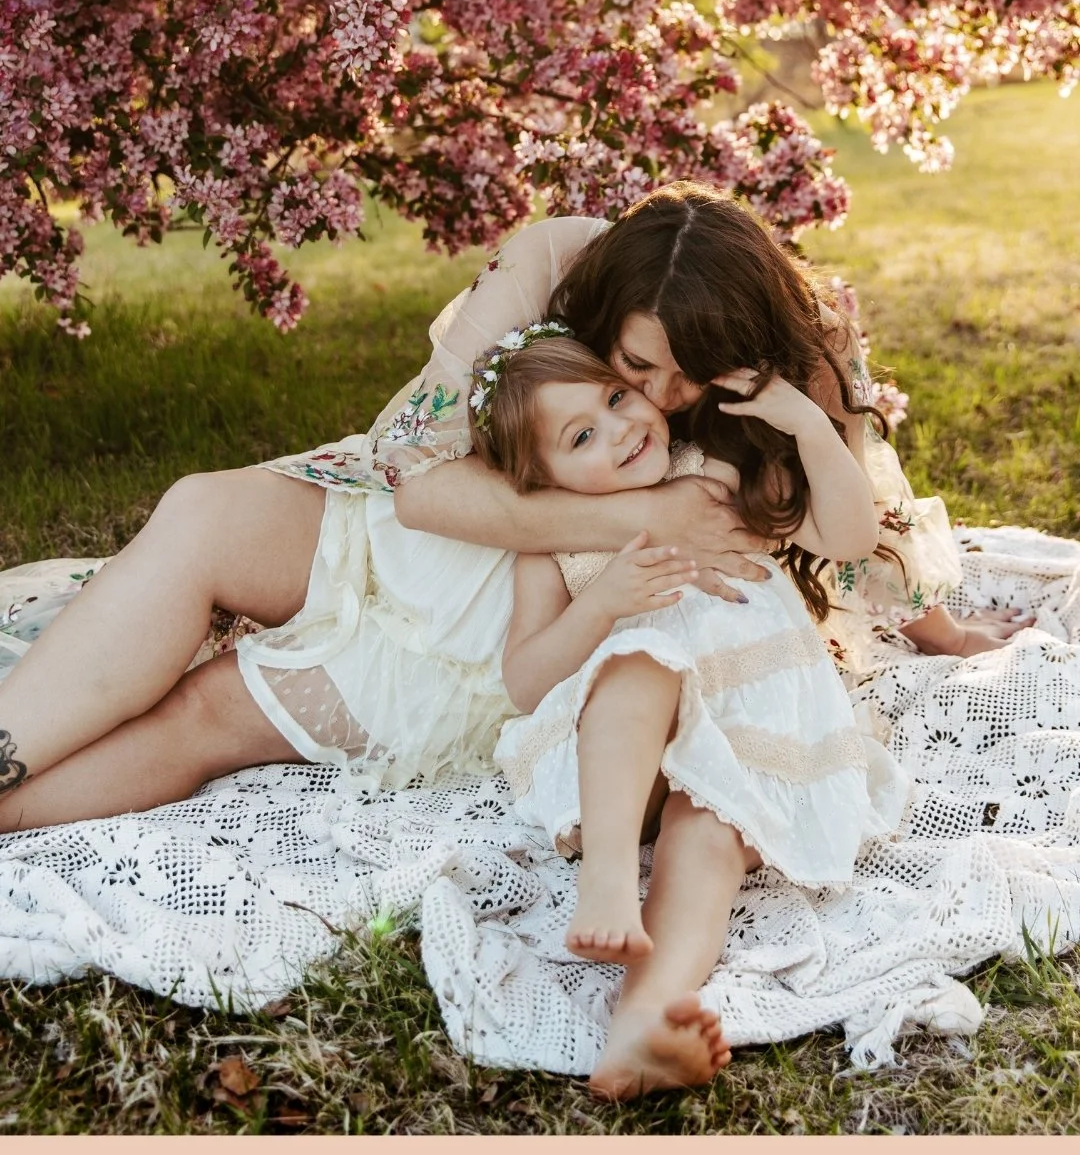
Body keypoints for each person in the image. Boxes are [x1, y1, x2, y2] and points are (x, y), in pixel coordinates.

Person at [0, 184, 1025, 831]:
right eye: (633, 369)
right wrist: (640, 517)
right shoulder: (553, 260)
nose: (663, 405)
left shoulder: (803, 350)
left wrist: (934, 625)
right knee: (200, 515)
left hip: (539, 604)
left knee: (213, 707)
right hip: (447, 513)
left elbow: (856, 534)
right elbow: (411, 470)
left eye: (695, 384)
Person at [466, 324, 909, 1099]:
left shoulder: (709, 472)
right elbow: (528, 682)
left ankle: (643, 1020)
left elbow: (847, 535)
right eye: (581, 435)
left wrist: (806, 421)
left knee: (707, 837)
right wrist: (603, 601)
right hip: (621, 768)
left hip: (747, 728)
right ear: (541, 477)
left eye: (615, 396)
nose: (622, 426)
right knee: (644, 660)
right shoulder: (553, 540)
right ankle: (607, 877)